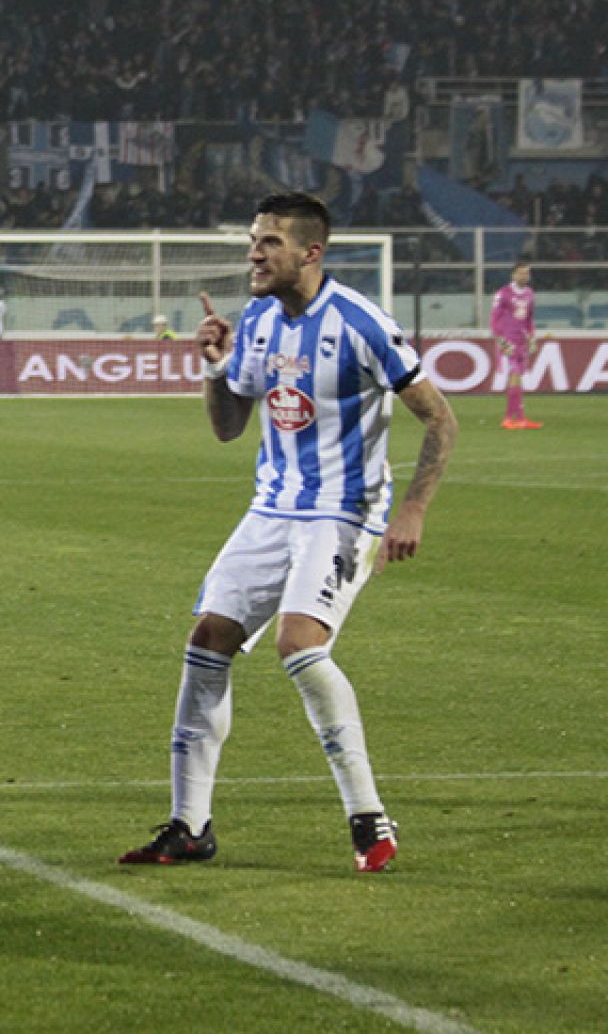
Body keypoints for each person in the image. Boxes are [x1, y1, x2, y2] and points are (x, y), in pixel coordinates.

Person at [119, 192, 457, 874]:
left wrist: (413, 509)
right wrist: (214, 366)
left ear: (310, 252)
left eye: (269, 242)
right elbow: (228, 426)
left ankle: (368, 816)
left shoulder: (360, 322)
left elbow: (439, 419)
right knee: (208, 639)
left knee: (297, 643)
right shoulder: (258, 321)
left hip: (344, 509)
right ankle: (189, 825)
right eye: (253, 240)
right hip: (272, 509)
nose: (254, 254)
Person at [490, 262, 540, 430]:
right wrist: (501, 341)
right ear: (513, 275)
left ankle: (518, 418)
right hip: (508, 341)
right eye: (520, 273)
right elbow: (494, 320)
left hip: (522, 342)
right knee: (515, 376)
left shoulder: (529, 294)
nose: (524, 276)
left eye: (526, 273)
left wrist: (532, 337)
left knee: (517, 378)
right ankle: (509, 418)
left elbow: (529, 319)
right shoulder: (503, 294)